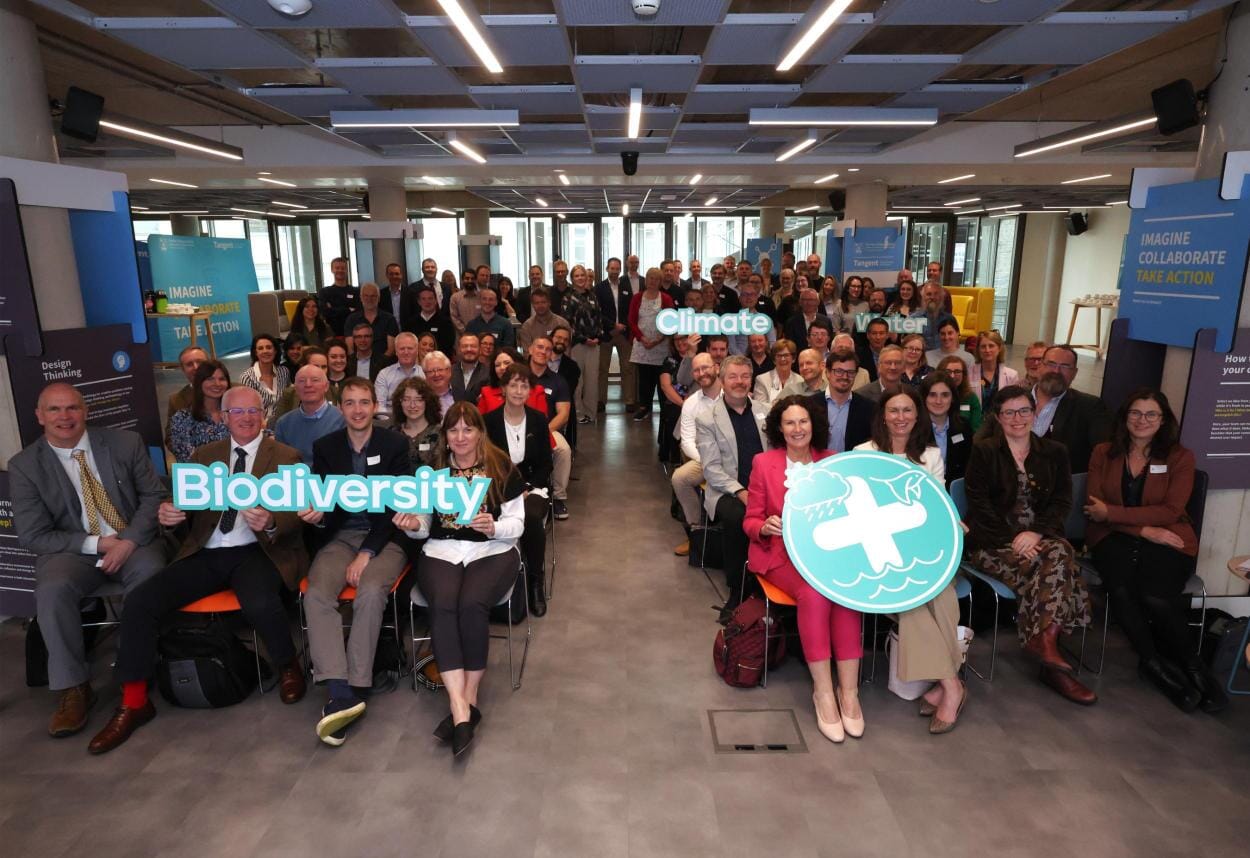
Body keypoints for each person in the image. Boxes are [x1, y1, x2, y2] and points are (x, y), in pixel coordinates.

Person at [87, 387, 308, 754]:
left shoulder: (286, 456)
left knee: (258, 599)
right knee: (141, 600)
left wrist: (271, 521)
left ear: (264, 416)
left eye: (253, 411)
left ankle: (288, 665)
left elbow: (298, 513)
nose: (247, 418)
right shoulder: (205, 457)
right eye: (237, 412)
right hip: (207, 551)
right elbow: (181, 507)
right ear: (223, 417)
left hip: (259, 551)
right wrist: (170, 516)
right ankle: (135, 700)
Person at [9, 383, 168, 739]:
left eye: (72, 408)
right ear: (39, 416)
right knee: (51, 590)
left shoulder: (124, 443)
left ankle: (134, 674)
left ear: (86, 411)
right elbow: (33, 535)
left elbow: (153, 497)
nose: (64, 417)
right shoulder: (24, 466)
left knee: (151, 575)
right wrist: (97, 543)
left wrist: (126, 541)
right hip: (74, 550)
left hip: (134, 542)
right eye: (54, 410)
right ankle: (74, 688)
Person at [393, 402, 527, 756]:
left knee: (471, 604)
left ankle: (468, 699)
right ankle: (460, 706)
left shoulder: (501, 468)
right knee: (442, 604)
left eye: (468, 429)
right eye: (454, 430)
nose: (461, 437)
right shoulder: (433, 472)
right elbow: (423, 527)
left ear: (480, 432)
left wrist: (494, 526)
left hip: (493, 550)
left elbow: (518, 525)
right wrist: (413, 526)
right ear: (445, 436)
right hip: (442, 550)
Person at [1084, 389, 1227, 713]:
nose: (1142, 420)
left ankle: (1193, 667)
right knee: (1120, 589)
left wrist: (1118, 515)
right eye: (1135, 413)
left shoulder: (1180, 457)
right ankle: (1152, 664)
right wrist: (1142, 529)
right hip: (1111, 537)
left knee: (1156, 596)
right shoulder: (1103, 453)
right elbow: (1095, 510)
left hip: (1169, 537)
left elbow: (1171, 510)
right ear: (1124, 417)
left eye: (1151, 414)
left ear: (1164, 421)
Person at [963, 385, 1096, 705]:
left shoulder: (1055, 452)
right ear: (997, 417)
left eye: (1024, 410)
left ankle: (1045, 643)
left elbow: (1062, 501)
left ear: (1035, 412)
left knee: (1057, 554)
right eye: (1008, 412)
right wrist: (1014, 541)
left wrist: (1036, 534)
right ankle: (1051, 656)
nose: (1017, 418)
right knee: (1063, 561)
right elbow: (979, 506)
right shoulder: (983, 451)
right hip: (993, 545)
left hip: (1042, 543)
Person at [744, 395, 864, 743]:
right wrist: (763, 526)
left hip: (827, 553)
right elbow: (750, 520)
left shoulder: (831, 462)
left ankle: (849, 693)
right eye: (790, 423)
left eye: (803, 422)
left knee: (843, 591)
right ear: (779, 429)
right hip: (780, 554)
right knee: (814, 593)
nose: (798, 429)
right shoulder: (764, 462)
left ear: (814, 426)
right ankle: (823, 693)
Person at [299, 379, 411, 746]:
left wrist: (368, 553)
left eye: (365, 402)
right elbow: (327, 502)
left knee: (369, 590)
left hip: (386, 538)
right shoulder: (326, 447)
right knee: (316, 594)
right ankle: (338, 688)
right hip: (342, 536)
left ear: (375, 405)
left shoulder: (395, 444)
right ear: (340, 406)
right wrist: (318, 515)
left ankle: (358, 685)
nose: (358, 410)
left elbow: (397, 507)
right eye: (350, 403)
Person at [852, 386, 966, 733]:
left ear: (917, 417)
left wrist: (950, 518)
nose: (900, 418)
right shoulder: (863, 452)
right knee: (912, 600)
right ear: (882, 416)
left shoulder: (930, 455)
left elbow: (935, 505)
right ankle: (952, 686)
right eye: (893, 411)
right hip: (879, 550)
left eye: (907, 411)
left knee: (943, 596)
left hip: (923, 546)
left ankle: (946, 685)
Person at [695, 356, 766, 620]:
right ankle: (738, 590)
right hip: (728, 490)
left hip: (764, 488)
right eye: (733, 376)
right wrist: (742, 492)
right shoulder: (707, 419)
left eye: (745, 376)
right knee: (739, 518)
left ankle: (768, 586)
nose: (740, 382)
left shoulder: (766, 411)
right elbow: (712, 470)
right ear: (722, 381)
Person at [484, 363, 553, 617]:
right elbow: (487, 463)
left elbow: (546, 462)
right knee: (488, 516)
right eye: (513, 384)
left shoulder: (538, 419)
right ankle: (492, 581)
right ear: (503, 388)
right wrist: (511, 489)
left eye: (524, 385)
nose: (519, 390)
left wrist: (527, 487)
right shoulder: (489, 421)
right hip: (499, 488)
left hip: (533, 487)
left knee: (531, 517)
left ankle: (535, 580)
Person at [671, 353, 722, 556]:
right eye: (697, 370)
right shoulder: (691, 403)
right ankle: (696, 533)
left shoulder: (733, 395)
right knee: (679, 478)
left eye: (706, 368)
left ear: (716, 368)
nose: (702, 373)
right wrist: (706, 461)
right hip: (705, 459)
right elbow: (687, 441)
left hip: (734, 458)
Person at [1032, 345, 1112, 473]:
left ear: (1074, 373)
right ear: (1040, 366)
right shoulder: (1011, 399)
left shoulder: (1090, 407)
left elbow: (1104, 454)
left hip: (1063, 488)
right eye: (1051, 364)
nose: (1056, 371)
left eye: (1065, 366)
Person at [527, 335, 573, 520]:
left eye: (547, 349)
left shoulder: (558, 381)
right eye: (539, 347)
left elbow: (563, 414)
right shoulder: (518, 375)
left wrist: (543, 431)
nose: (543, 351)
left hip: (549, 429)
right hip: (517, 427)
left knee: (563, 450)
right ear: (530, 350)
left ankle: (558, 497)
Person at [274, 362, 346, 466]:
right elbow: (282, 464)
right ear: (296, 388)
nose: (308, 385)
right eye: (302, 381)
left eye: (315, 380)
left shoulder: (342, 419)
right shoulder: (283, 423)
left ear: (326, 386)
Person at [628, 267, 676, 422]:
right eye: (650, 278)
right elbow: (631, 320)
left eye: (656, 279)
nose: (652, 281)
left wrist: (658, 340)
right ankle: (644, 408)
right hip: (642, 344)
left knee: (662, 376)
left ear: (660, 282)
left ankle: (665, 407)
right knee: (644, 379)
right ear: (646, 280)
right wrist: (642, 338)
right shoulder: (637, 298)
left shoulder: (666, 298)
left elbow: (670, 321)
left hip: (660, 345)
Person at [562, 264, 604, 425]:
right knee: (578, 381)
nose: (580, 278)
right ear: (572, 279)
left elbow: (599, 318)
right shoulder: (568, 297)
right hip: (577, 345)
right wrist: (583, 339)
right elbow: (567, 324)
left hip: (594, 344)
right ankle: (578, 413)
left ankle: (591, 413)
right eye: (577, 276)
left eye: (583, 275)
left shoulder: (592, 296)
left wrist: (597, 338)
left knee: (592, 381)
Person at [167, 360, 232, 463]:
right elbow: (186, 458)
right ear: (199, 382)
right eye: (210, 379)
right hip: (201, 475)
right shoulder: (182, 418)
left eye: (222, 379)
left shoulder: (237, 413)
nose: (217, 384)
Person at [920, 371, 971, 487]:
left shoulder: (963, 427)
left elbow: (968, 466)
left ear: (952, 398)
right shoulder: (914, 429)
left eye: (945, 395)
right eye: (932, 395)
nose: (938, 401)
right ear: (924, 397)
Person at [822, 348, 874, 453]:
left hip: (854, 466)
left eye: (850, 372)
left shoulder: (869, 408)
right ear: (827, 373)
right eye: (839, 371)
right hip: (818, 466)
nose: (845, 377)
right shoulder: (810, 405)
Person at [658, 335, 696, 464]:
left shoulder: (700, 358)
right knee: (673, 413)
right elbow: (665, 386)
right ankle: (675, 459)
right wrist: (684, 404)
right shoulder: (669, 360)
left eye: (683, 338)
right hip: (676, 403)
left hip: (696, 402)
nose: (680, 342)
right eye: (676, 339)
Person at [391, 376, 442, 468]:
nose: (412, 405)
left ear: (427, 402)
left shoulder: (441, 433)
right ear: (400, 402)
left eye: (419, 400)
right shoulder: (391, 434)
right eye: (406, 399)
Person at [239, 333, 290, 424]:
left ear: (275, 351)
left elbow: (288, 399)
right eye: (260, 348)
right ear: (256, 353)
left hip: (284, 421)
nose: (265, 351)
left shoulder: (284, 372)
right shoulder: (247, 377)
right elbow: (249, 409)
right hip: (260, 425)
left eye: (269, 347)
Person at [164, 346, 207, 452]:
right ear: (183, 370)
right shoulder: (176, 401)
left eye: (200, 362)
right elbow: (171, 438)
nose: (196, 367)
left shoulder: (234, 390)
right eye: (189, 364)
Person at [272, 347, 332, 423]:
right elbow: (277, 423)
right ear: (303, 367)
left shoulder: (335, 392)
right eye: (316, 366)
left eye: (324, 367)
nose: (320, 371)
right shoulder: (289, 394)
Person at [374, 332, 426, 415]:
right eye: (402, 349)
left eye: (410, 348)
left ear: (417, 351)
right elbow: (379, 407)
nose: (406, 352)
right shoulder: (384, 374)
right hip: (390, 423)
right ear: (396, 352)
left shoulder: (425, 374)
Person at [344, 282, 399, 358]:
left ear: (379, 298)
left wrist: (378, 365)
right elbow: (350, 349)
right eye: (366, 296)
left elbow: (391, 349)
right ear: (361, 298)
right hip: (358, 363)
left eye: (373, 296)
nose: (369, 299)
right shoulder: (351, 319)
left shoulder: (389, 319)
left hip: (384, 364)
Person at [726, 276, 777, 355]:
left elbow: (772, 343)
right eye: (745, 294)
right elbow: (731, 347)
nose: (748, 297)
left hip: (761, 361)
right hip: (739, 362)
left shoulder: (766, 320)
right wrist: (744, 361)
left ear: (757, 297)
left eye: (752, 294)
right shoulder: (731, 321)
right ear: (739, 298)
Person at [971, 331, 1019, 413]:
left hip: (1001, 422)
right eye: (983, 346)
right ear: (978, 350)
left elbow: (1014, 404)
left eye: (991, 346)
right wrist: (967, 416)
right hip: (975, 422)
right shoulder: (968, 373)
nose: (987, 350)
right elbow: (963, 402)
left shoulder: (1012, 375)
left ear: (999, 348)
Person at [405, 285, 456, 356]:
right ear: (419, 302)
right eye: (423, 299)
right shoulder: (410, 323)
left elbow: (448, 347)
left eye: (430, 298)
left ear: (435, 301)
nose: (427, 302)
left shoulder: (446, 322)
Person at [937, 354, 982, 431]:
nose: (952, 376)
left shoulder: (971, 397)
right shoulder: (931, 395)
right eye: (948, 371)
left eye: (957, 371)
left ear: (964, 375)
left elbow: (976, 429)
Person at [517, 286, 569, 352]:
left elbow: (567, 351)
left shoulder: (562, 324)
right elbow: (528, 354)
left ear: (549, 303)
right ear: (532, 305)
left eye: (543, 302)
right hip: (536, 361)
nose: (540, 306)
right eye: (537, 303)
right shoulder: (527, 326)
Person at [751, 338, 799, 407]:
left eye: (786, 355)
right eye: (779, 356)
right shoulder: (762, 379)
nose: (783, 359)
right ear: (774, 360)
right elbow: (760, 407)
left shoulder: (800, 380)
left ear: (793, 358)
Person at [319, 256, 359, 336]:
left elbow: (358, 312)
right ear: (332, 270)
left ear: (347, 270)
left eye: (343, 268)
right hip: (332, 334)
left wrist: (333, 309)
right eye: (337, 268)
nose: (340, 270)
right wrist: (348, 309)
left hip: (353, 333)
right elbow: (325, 312)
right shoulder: (324, 292)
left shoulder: (356, 291)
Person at [917, 283, 957, 352]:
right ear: (923, 297)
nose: (932, 297)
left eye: (936, 294)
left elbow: (956, 345)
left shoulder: (950, 319)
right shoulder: (914, 319)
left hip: (944, 358)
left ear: (941, 297)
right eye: (928, 294)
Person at [450, 332, 488, 403]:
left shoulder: (489, 373)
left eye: (473, 346)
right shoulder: (449, 371)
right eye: (465, 346)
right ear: (458, 349)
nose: (469, 349)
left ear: (480, 350)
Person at [380, 262, 418, 330]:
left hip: (408, 331)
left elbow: (415, 314)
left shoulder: (411, 293)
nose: (394, 276)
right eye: (391, 274)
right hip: (388, 332)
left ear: (401, 275)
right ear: (387, 275)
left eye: (397, 274)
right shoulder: (381, 294)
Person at [856, 317, 890, 382]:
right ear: (868, 335)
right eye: (874, 333)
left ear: (887, 335)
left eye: (881, 333)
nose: (878, 337)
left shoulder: (894, 355)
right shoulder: (858, 355)